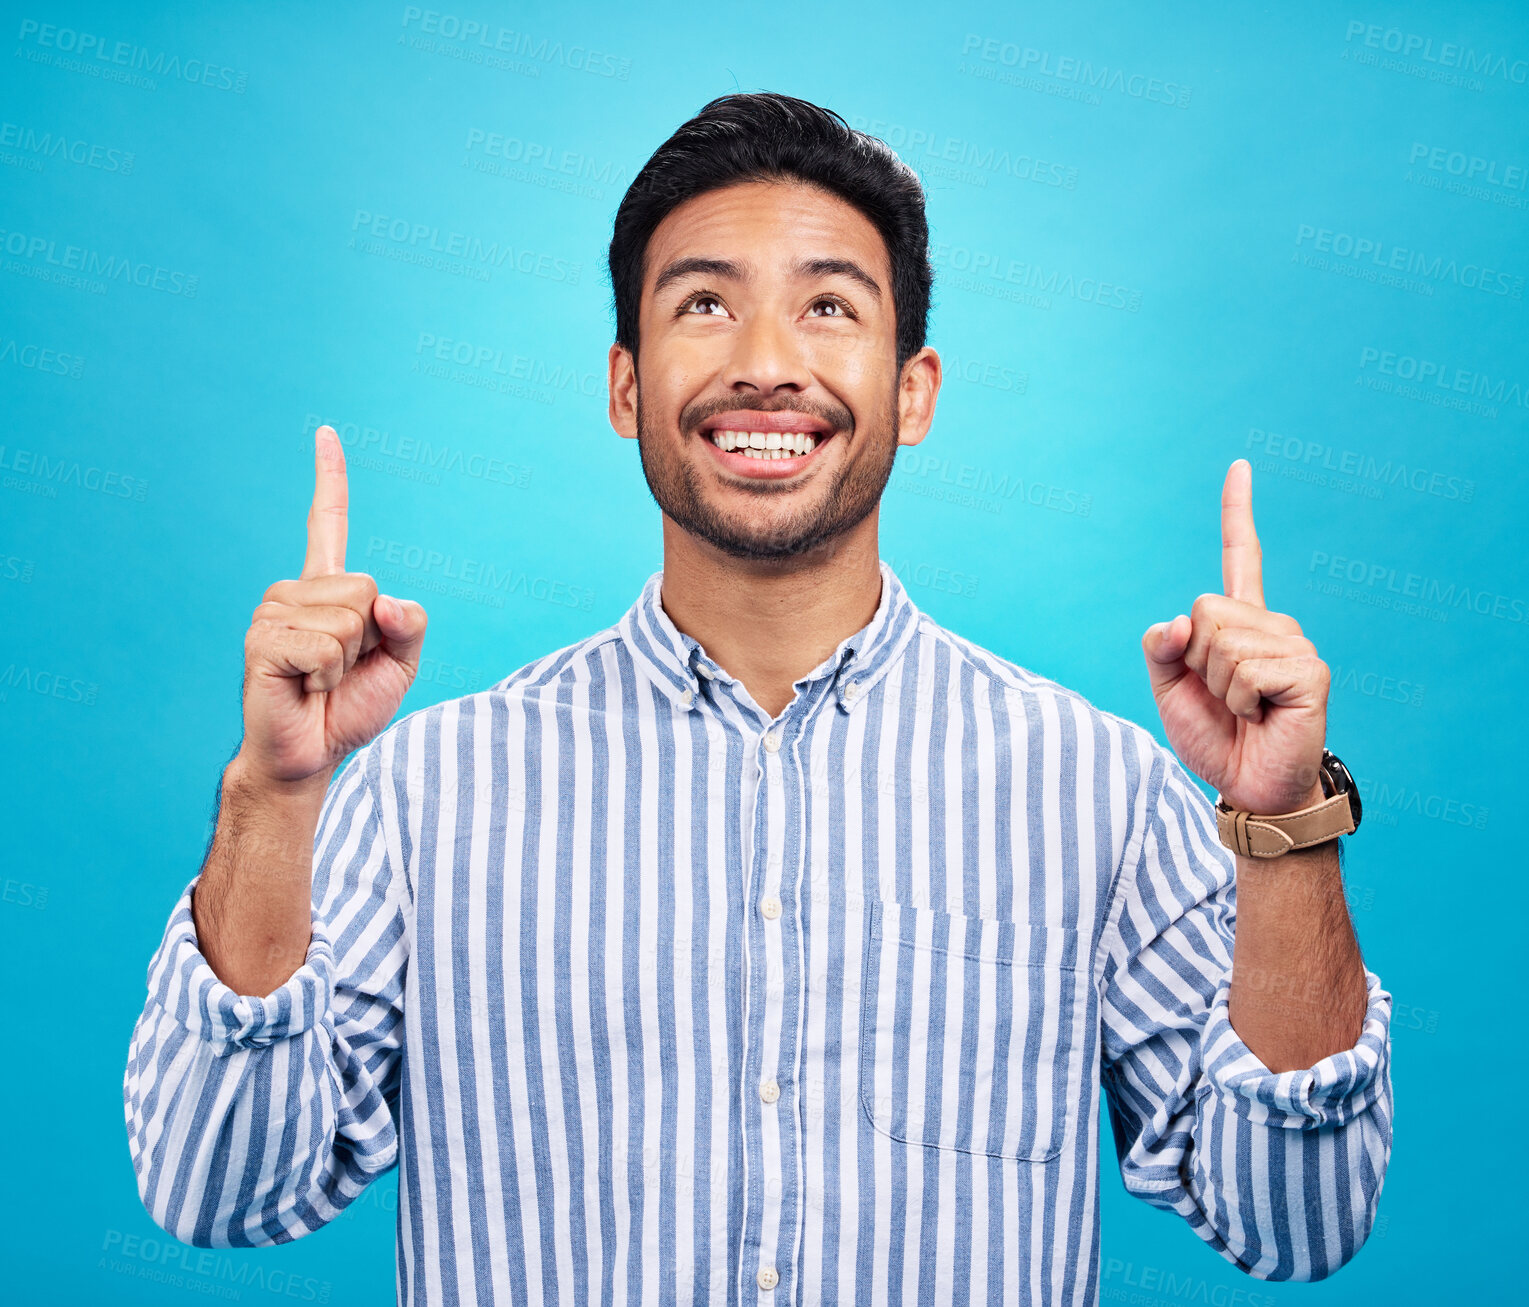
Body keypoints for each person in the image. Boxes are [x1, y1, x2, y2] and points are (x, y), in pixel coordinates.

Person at [124, 92, 1392, 1305]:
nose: (768, 365)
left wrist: (1281, 825)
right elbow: (217, 1189)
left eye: (830, 306)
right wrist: (275, 797)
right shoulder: (426, 790)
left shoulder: (1091, 788)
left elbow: (1292, 1218)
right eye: (706, 305)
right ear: (626, 387)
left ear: (914, 388)